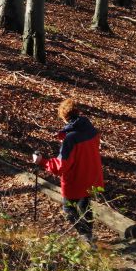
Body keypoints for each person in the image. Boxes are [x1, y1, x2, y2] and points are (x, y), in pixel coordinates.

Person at [32, 99, 104, 243]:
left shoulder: (71, 138)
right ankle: (89, 235)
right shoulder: (91, 130)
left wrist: (42, 161)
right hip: (92, 177)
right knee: (85, 206)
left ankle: (85, 237)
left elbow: (60, 166)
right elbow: (84, 152)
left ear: (64, 117)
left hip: (76, 181)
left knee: (68, 210)